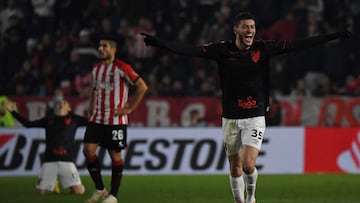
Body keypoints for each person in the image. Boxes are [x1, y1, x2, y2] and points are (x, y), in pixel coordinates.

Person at [141, 12, 351, 203]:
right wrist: (162, 44)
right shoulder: (222, 50)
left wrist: (332, 36)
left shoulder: (263, 49)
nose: (250, 30)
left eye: (252, 27)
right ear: (236, 30)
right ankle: (239, 201)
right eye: (245, 27)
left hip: (255, 114)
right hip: (231, 116)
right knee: (234, 168)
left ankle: (251, 197)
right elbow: (191, 50)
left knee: (248, 164)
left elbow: (298, 44)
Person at [83, 34, 148, 203]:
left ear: (113, 49)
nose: (100, 49)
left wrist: (130, 108)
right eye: (99, 46)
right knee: (88, 150)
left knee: (115, 156)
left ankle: (114, 195)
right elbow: (94, 89)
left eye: (104, 46)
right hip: (97, 117)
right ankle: (99, 189)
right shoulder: (96, 68)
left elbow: (142, 86)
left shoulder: (122, 67)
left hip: (115, 121)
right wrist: (91, 107)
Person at [4, 98, 86, 195]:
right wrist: (13, 112)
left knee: (78, 192)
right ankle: (54, 182)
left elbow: (91, 121)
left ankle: (71, 185)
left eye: (64, 102)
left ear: (69, 109)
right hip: (50, 160)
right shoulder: (48, 120)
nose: (61, 103)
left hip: (67, 161)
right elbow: (28, 124)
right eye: (59, 103)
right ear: (55, 108)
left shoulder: (74, 119)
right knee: (40, 193)